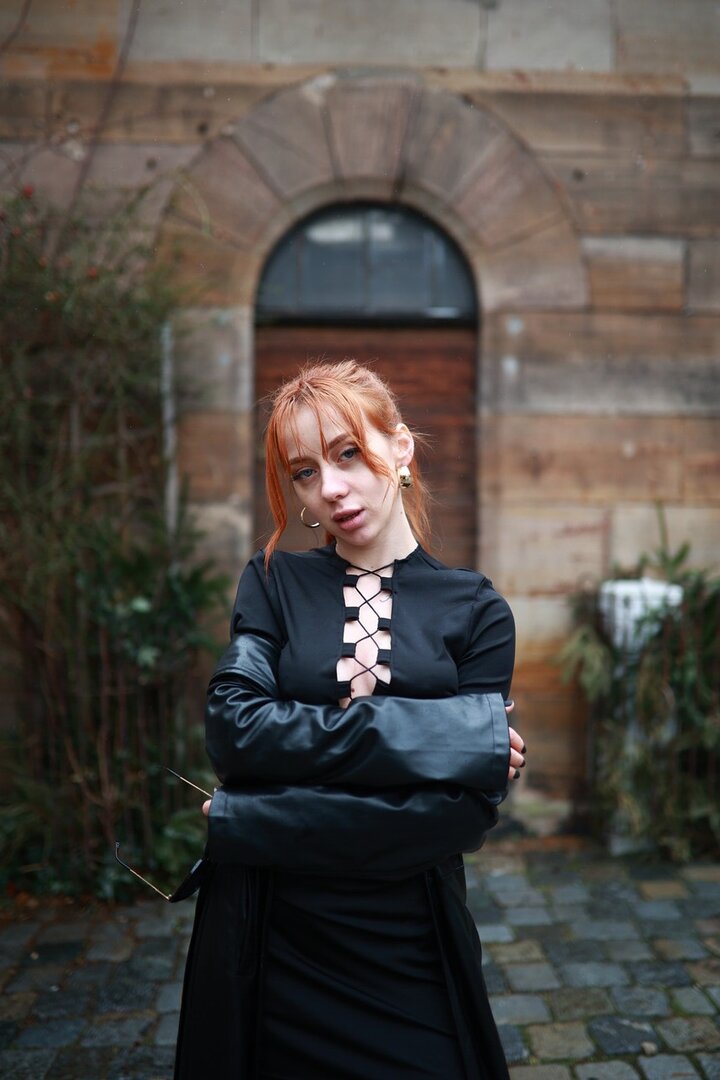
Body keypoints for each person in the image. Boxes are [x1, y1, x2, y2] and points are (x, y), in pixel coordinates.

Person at [174, 360, 524, 1080]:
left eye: (347, 454)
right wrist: (447, 736)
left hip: (411, 940)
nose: (330, 488)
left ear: (401, 447)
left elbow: (458, 815)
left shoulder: (478, 611)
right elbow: (235, 730)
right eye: (304, 472)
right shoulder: (272, 582)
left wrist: (256, 820)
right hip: (275, 940)